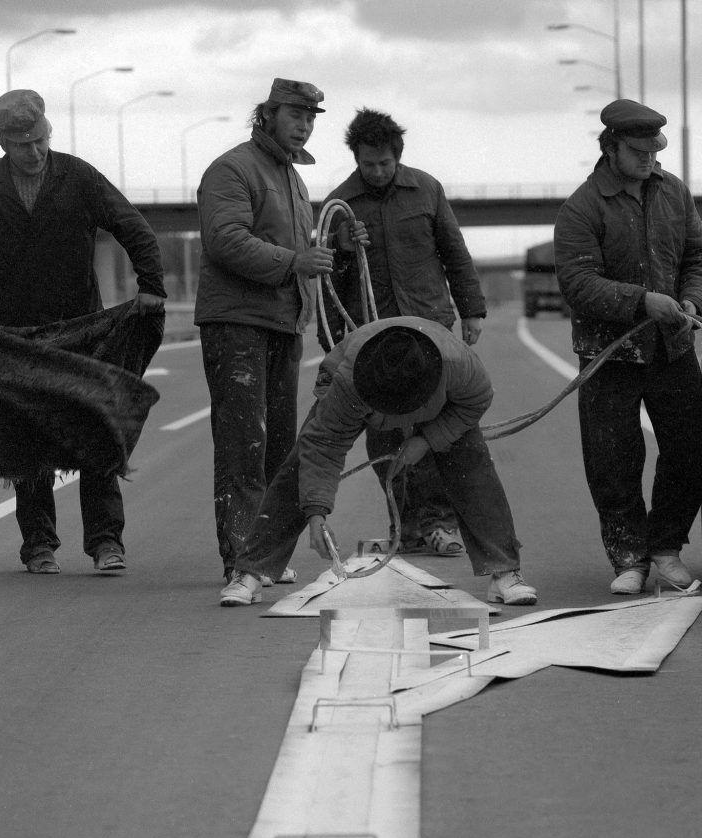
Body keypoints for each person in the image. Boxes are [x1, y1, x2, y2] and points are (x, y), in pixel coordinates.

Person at [0, 88, 166, 575]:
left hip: (86, 331)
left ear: (47, 133)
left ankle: (105, 543)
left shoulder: (78, 177)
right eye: (23, 146)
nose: (34, 152)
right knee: (28, 436)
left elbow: (133, 226)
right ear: (3, 144)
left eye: (40, 140)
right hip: (19, 337)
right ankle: (38, 545)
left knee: (94, 428)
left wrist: (151, 286)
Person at [218, 316, 536, 609]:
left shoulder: (459, 367)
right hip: (359, 388)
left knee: (473, 464)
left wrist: (427, 439)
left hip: (438, 409)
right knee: (298, 468)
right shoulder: (347, 382)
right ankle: (251, 569)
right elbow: (323, 447)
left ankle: (504, 570)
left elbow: (476, 402)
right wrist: (316, 513)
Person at [195, 78, 364, 588]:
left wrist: (340, 244)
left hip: (282, 321)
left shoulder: (291, 177)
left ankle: (262, 556)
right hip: (237, 324)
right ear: (266, 114)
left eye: (312, 117)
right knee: (244, 444)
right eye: (296, 115)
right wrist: (295, 260)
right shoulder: (232, 169)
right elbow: (225, 240)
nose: (306, 125)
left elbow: (299, 248)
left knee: (277, 447)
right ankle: (241, 558)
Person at [553, 99, 702, 595]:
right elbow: (578, 282)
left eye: (654, 150)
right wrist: (641, 301)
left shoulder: (675, 194)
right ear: (610, 149)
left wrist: (693, 298)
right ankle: (629, 557)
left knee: (689, 451)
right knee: (613, 460)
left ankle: (667, 549)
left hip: (672, 349)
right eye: (637, 151)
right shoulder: (582, 207)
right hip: (609, 356)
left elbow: (701, 257)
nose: (648, 159)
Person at [322, 108, 488, 559]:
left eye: (384, 163)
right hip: (372, 339)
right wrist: (339, 248)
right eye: (367, 164)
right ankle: (408, 525)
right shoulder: (340, 205)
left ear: (398, 156)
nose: (376, 172)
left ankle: (440, 523)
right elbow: (329, 283)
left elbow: (455, 252)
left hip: (430, 328)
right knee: (384, 435)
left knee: (434, 428)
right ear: (355, 158)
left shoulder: (427, 190)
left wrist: (471, 311)